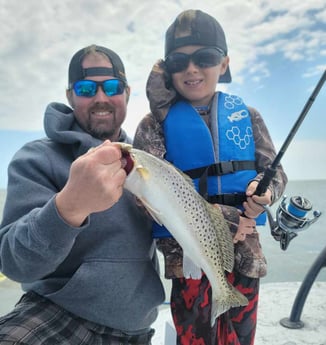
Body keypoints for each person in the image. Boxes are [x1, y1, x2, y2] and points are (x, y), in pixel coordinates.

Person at [133, 9, 287, 345]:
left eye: (204, 57)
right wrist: (230, 218)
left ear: (224, 63)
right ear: (167, 69)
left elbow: (275, 172)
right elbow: (146, 198)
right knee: (195, 337)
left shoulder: (248, 116)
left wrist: (265, 193)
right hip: (184, 254)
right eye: (178, 61)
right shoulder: (152, 126)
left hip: (246, 252)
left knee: (240, 336)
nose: (191, 68)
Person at [0, 44, 165, 345]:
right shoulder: (36, 158)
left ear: (127, 93)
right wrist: (68, 208)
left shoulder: (148, 162)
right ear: (70, 96)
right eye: (87, 88)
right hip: (58, 313)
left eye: (112, 87)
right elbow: (14, 263)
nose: (101, 98)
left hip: (136, 328)